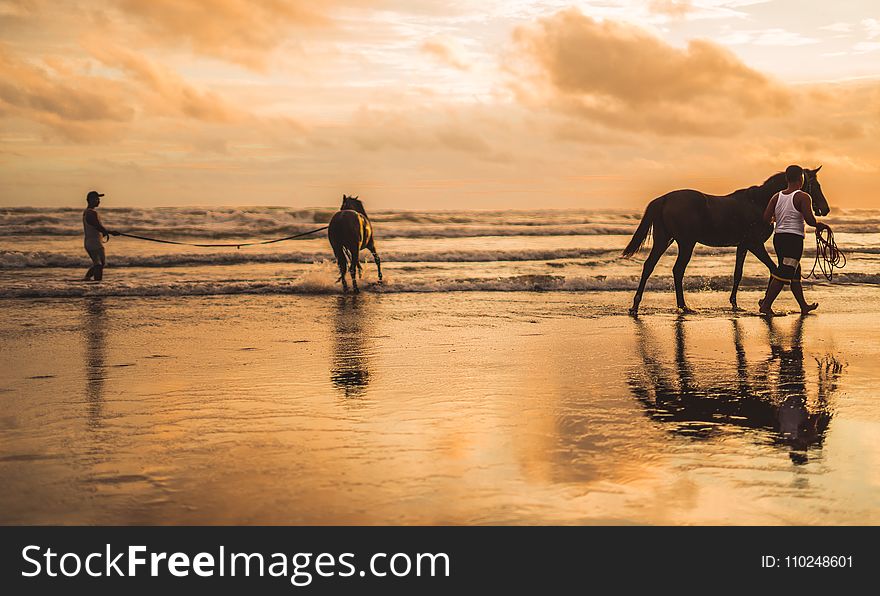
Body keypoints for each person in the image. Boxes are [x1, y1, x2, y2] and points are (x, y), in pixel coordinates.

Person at [759, 165, 829, 316]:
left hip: (779, 239)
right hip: (793, 239)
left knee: (795, 272)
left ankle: (803, 306)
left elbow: (766, 218)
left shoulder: (776, 196)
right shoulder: (803, 197)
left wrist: (779, 218)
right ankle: (766, 305)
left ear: (786, 179)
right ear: (801, 179)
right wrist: (819, 224)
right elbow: (810, 220)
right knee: (785, 271)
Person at [82, 190, 119, 281]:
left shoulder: (88, 212)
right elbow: (97, 226)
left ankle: (87, 279)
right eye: (96, 199)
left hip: (92, 242)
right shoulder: (91, 212)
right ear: (90, 200)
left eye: (98, 199)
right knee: (98, 265)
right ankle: (97, 283)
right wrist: (110, 232)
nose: (99, 201)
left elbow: (96, 227)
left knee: (99, 264)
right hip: (94, 243)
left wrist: (106, 232)